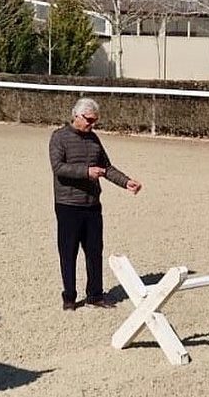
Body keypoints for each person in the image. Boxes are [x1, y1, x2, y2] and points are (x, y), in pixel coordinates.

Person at [49, 97, 142, 310]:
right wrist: (86, 172)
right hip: (68, 204)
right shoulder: (59, 138)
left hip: (92, 205)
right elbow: (58, 167)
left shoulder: (94, 139)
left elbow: (106, 167)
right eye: (89, 120)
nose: (92, 125)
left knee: (94, 250)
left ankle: (95, 295)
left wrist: (126, 182)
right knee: (68, 252)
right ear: (76, 115)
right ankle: (69, 297)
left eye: (95, 121)